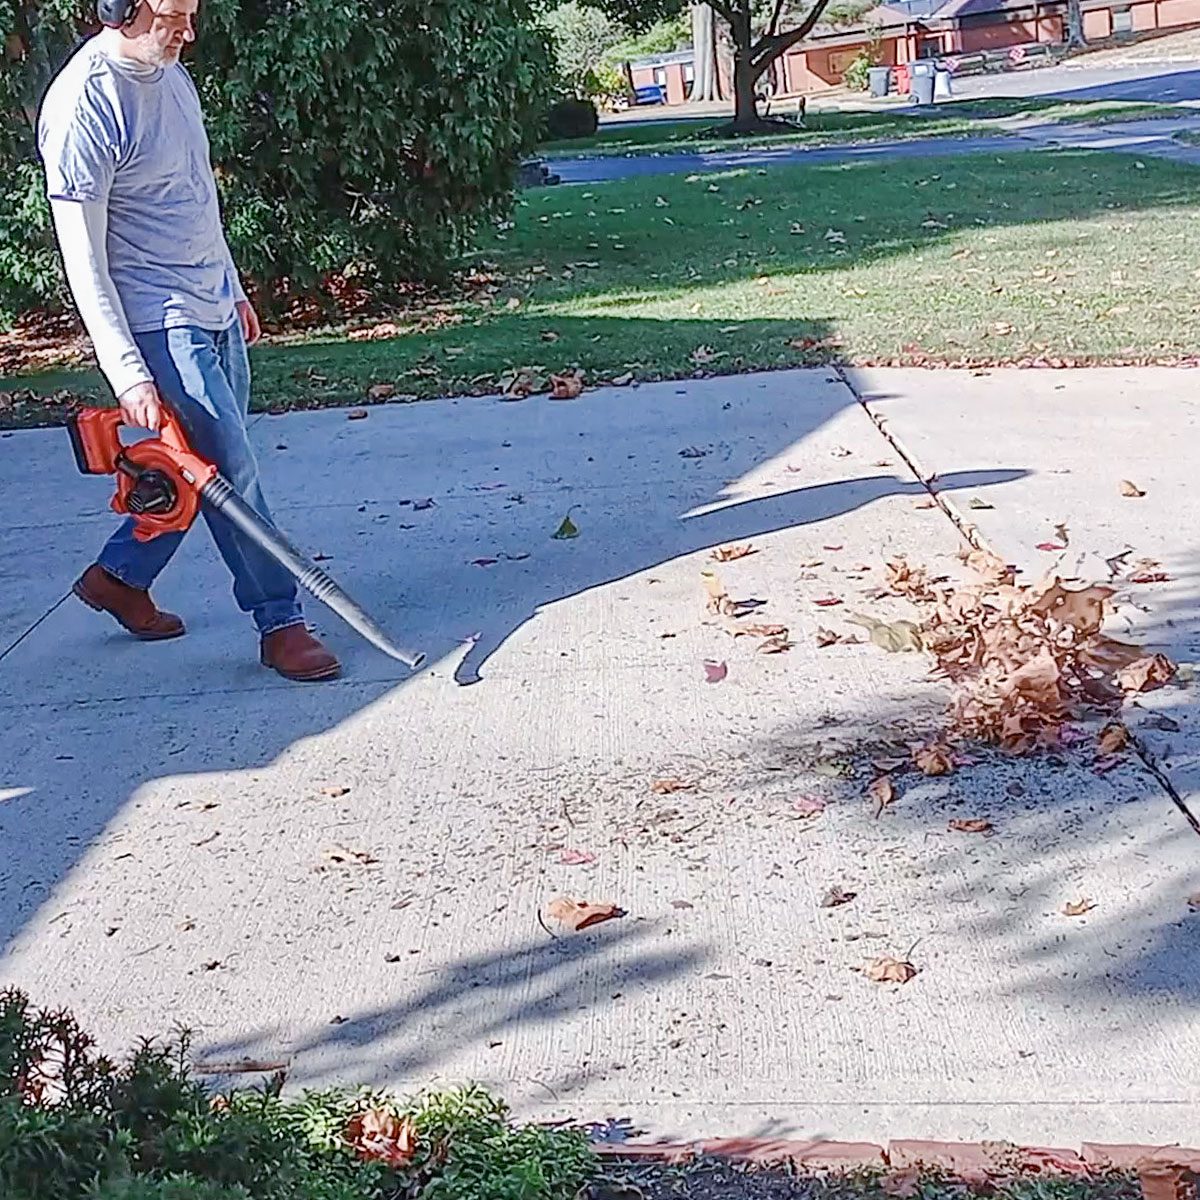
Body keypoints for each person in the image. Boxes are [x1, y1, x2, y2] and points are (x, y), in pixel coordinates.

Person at [36, 0, 341, 682]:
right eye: (173, 16)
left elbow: (196, 189)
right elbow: (81, 259)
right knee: (231, 472)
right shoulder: (85, 105)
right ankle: (281, 622)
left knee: (189, 469)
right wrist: (128, 374)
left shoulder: (170, 72)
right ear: (118, 9)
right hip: (157, 318)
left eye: (191, 15)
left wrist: (231, 287)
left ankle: (119, 576)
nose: (189, 32)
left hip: (212, 306)